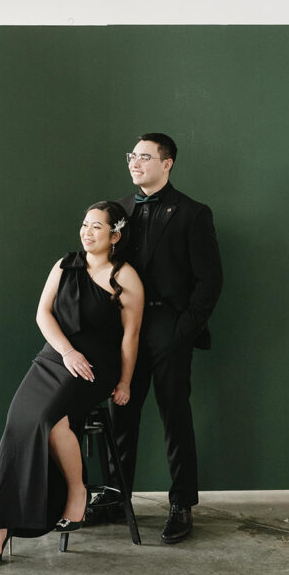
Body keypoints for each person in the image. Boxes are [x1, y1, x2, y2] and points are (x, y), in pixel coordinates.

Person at [0, 201, 144, 568]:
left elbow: (130, 337)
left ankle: (75, 492)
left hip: (95, 366)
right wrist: (66, 351)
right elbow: (43, 313)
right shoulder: (64, 264)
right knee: (16, 424)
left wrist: (125, 382)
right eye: (84, 225)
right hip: (56, 356)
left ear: (115, 235)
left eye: (96, 227)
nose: (87, 232)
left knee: (47, 420)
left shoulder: (126, 277)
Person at [104, 133, 222, 544]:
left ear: (167, 163)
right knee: (120, 414)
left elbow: (210, 280)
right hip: (124, 331)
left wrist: (183, 331)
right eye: (132, 155)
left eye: (145, 157)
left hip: (169, 329)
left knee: (175, 417)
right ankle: (117, 499)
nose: (135, 163)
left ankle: (181, 505)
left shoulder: (193, 213)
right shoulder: (116, 210)